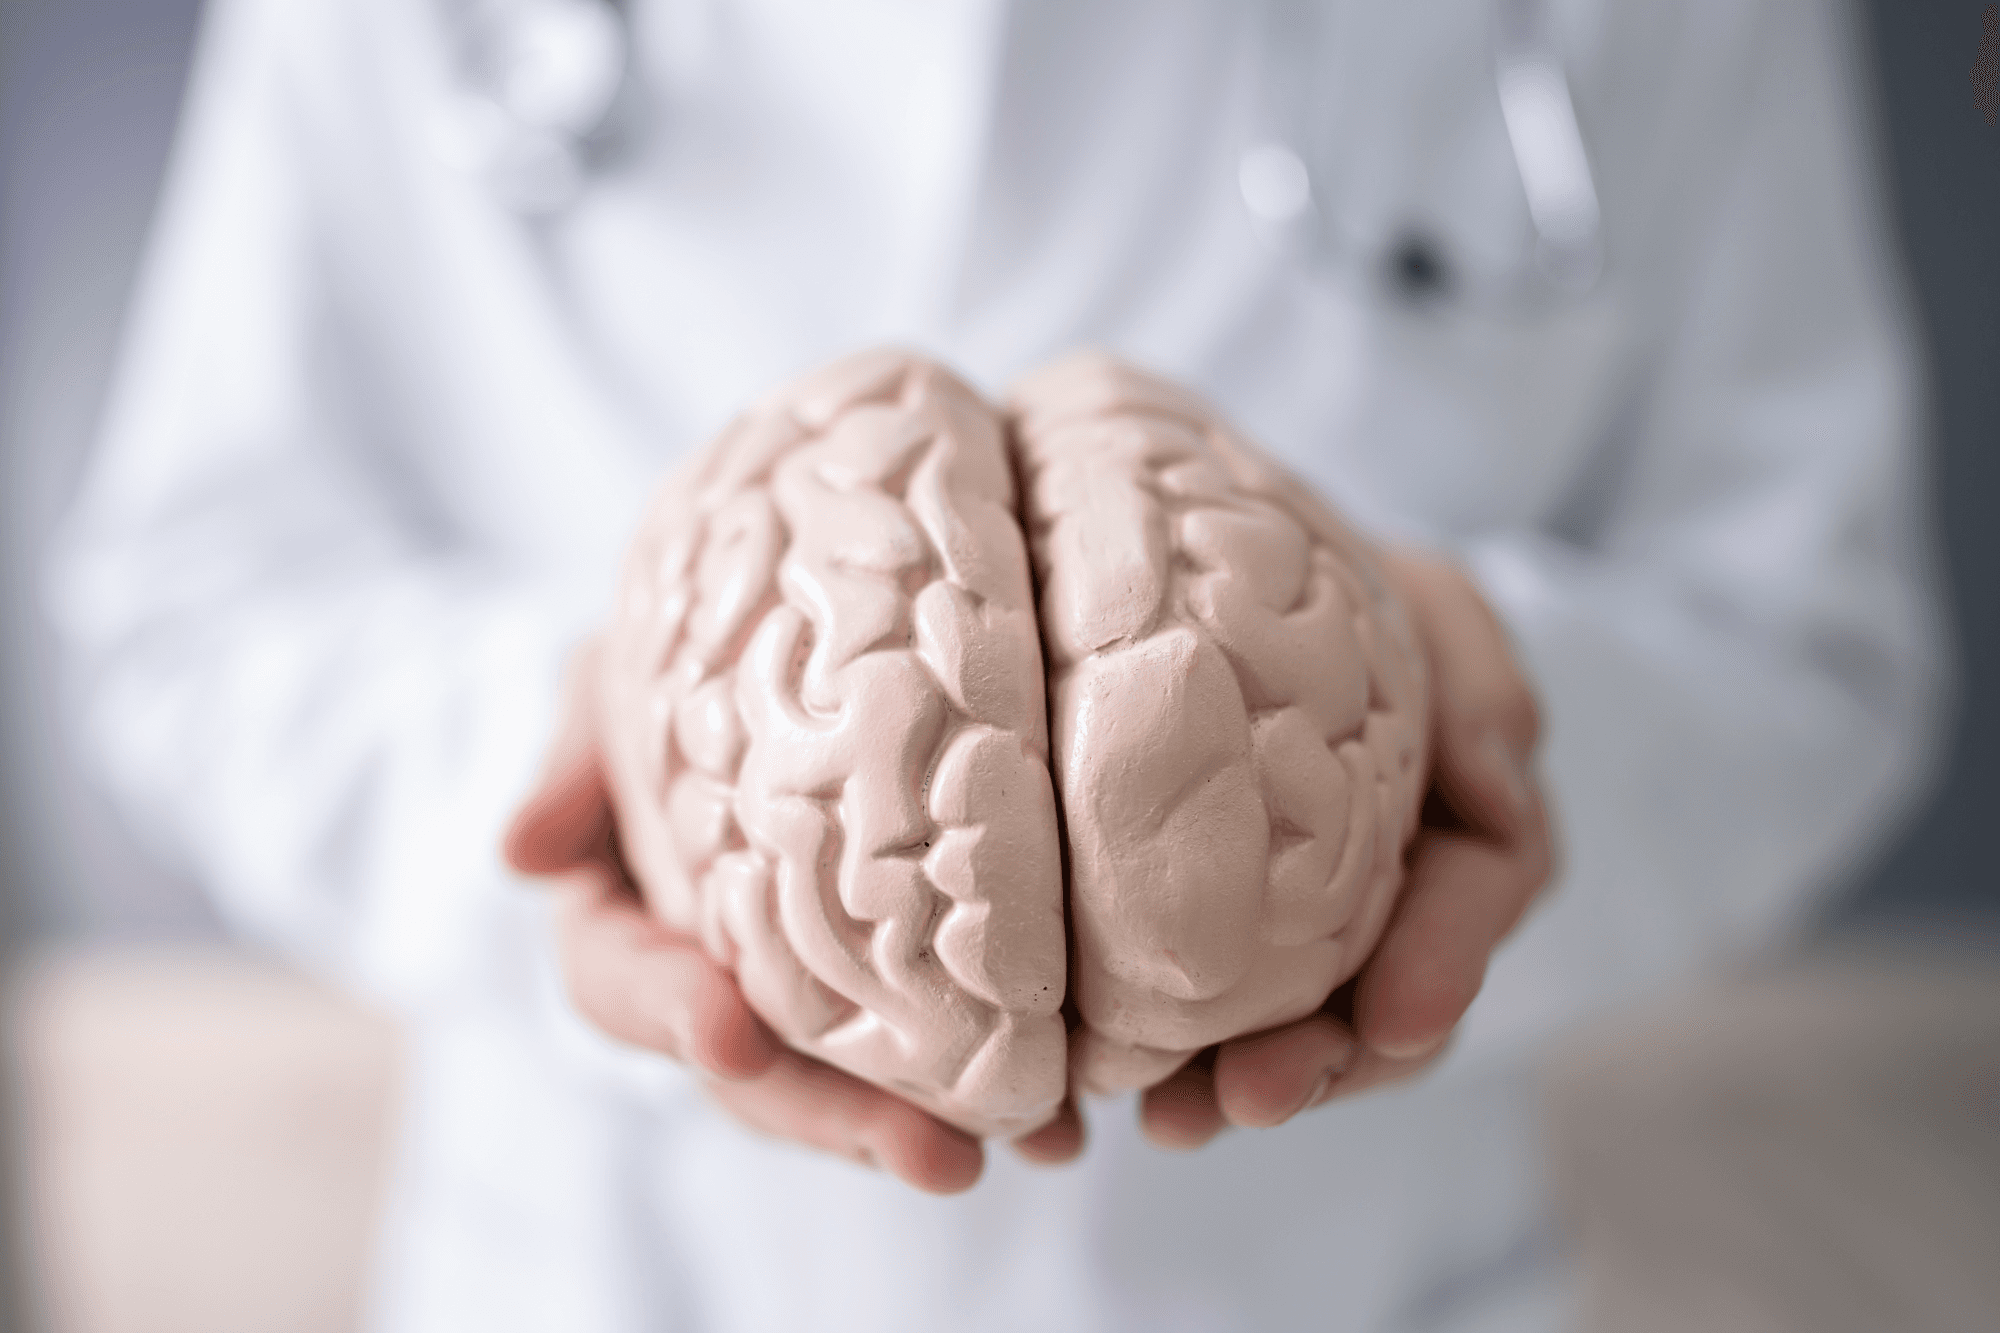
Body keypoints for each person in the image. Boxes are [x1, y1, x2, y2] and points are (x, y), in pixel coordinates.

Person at [50, 0, 1944, 1329]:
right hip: (610, 1274)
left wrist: (1500, 712)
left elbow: (1812, 633)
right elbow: (198, 597)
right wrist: (601, 757)